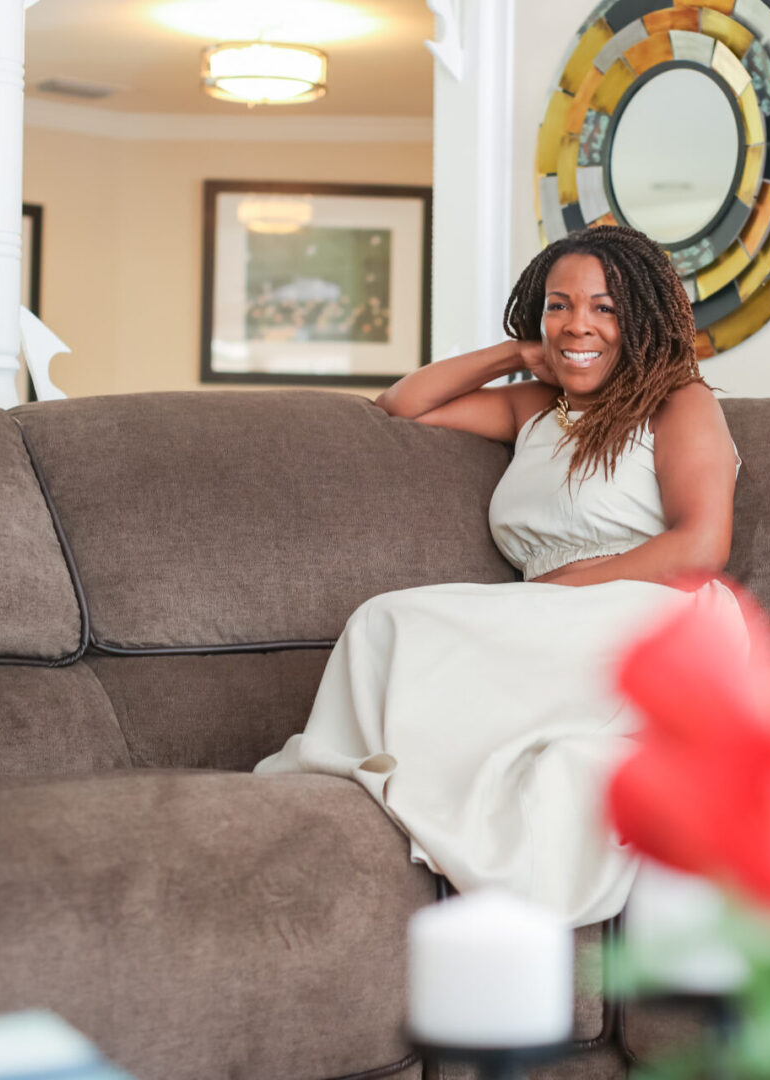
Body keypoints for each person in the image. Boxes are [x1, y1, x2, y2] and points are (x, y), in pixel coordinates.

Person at [255, 226, 744, 926]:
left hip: (650, 618)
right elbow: (402, 405)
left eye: (606, 308)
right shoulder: (535, 409)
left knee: (387, 620)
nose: (579, 324)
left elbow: (700, 545)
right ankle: (383, 785)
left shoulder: (679, 402)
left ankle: (377, 781)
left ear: (642, 320)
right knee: (384, 622)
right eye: (559, 305)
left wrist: (554, 598)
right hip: (545, 621)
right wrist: (516, 355)